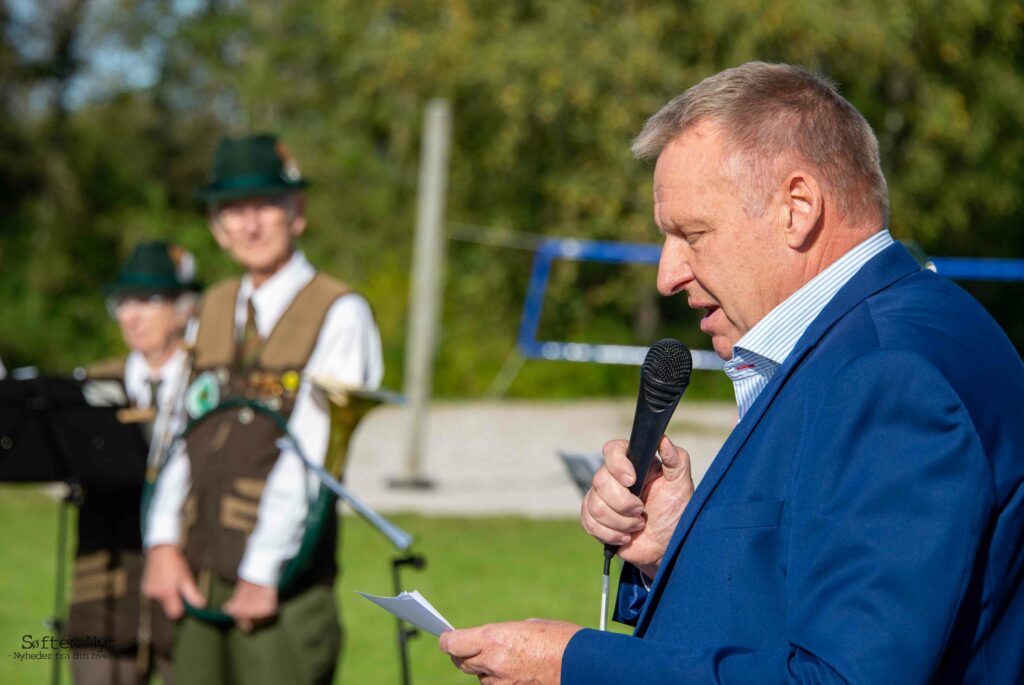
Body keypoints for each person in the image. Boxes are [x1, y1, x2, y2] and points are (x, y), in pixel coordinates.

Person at [439, 62, 1024, 683]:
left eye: (693, 233)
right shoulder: (865, 341)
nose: (668, 275)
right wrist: (679, 548)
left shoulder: (890, 374)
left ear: (797, 208)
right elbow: (804, 607)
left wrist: (575, 665)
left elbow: (841, 678)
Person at [142, 133, 383, 685]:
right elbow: (181, 431)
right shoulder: (211, 305)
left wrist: (261, 570)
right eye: (232, 211)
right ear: (215, 226)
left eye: (265, 207)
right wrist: (160, 540)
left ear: (296, 213)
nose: (249, 226)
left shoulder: (339, 311)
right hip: (194, 571)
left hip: (282, 585)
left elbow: (312, 457)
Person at [70, 240, 199, 685]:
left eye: (149, 301)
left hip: (184, 591)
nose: (131, 316)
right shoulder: (90, 386)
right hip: (103, 594)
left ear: (183, 310)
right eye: (123, 302)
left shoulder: (209, 382)